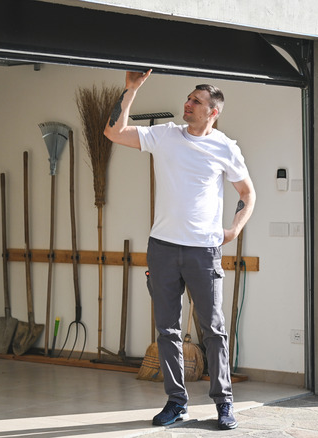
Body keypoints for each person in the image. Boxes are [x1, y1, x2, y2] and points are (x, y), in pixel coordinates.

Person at [104, 70, 256, 430]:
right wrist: (131, 90)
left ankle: (224, 404)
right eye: (188, 98)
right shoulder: (165, 136)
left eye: (196, 101)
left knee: (213, 330)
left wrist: (233, 229)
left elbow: (248, 193)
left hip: (203, 251)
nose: (187, 104)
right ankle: (176, 402)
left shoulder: (224, 147)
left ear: (212, 112)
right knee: (167, 331)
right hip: (162, 248)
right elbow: (113, 132)